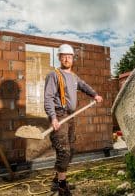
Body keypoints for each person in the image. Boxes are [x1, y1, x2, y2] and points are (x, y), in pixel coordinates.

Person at [44, 44, 103, 196]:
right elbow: (48, 98)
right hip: (59, 116)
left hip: (70, 117)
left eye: (69, 56)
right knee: (64, 151)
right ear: (59, 57)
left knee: (71, 150)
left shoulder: (74, 77)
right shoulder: (54, 75)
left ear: (72, 59)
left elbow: (84, 86)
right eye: (63, 56)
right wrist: (53, 118)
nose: (66, 59)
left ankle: (57, 180)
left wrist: (94, 95)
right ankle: (62, 186)